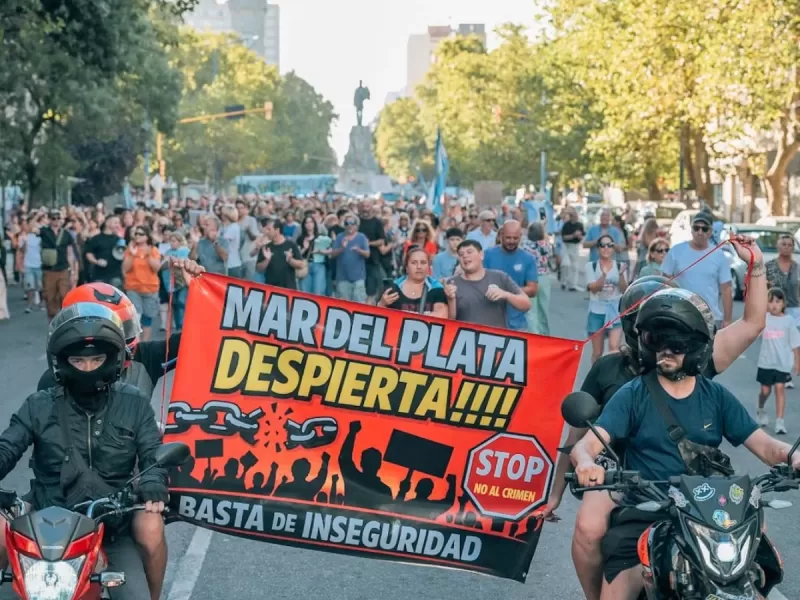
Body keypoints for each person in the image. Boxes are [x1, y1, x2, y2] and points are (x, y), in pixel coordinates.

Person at [543, 235, 767, 600]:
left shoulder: (700, 366)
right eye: (655, 333)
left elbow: (754, 323)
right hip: (622, 474)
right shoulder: (612, 372)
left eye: (676, 337)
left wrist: (756, 266)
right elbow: (580, 438)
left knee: (757, 539)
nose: (667, 344)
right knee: (588, 527)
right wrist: (559, 490)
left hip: (696, 484)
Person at [570, 288, 799, 600]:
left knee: (755, 580)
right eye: (656, 340)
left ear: (696, 346)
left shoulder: (716, 397)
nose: (666, 351)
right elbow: (587, 445)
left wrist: (793, 457)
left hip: (711, 514)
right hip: (648, 510)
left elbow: (767, 447)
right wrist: (586, 463)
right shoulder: (633, 395)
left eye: (676, 344)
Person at [0, 302, 169, 599]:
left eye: (97, 359)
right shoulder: (39, 404)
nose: (88, 368)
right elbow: (7, 446)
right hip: (45, 523)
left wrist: (153, 483)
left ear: (114, 359)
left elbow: (152, 452)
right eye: (78, 360)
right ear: (61, 362)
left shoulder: (135, 403)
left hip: (112, 526)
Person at [661, 211, 732, 329]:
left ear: (710, 232)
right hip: (680, 315)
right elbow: (664, 282)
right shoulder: (676, 251)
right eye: (696, 228)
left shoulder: (719, 255)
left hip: (710, 318)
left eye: (704, 229)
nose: (700, 232)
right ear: (691, 229)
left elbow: (726, 289)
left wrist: (727, 320)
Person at [445, 240, 531, 329]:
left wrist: (505, 294)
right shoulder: (452, 283)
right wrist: (451, 299)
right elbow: (449, 322)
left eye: (469, 252)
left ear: (481, 255)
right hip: (466, 336)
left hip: (496, 336)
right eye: (461, 254)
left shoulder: (500, 277)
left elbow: (526, 304)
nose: (465, 256)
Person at [756, 287, 800, 434]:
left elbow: (795, 343)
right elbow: (753, 332)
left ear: (783, 303)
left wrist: (797, 362)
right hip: (766, 362)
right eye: (771, 301)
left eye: (777, 301)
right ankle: (761, 408)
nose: (774, 305)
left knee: (780, 388)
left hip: (782, 363)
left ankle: (780, 421)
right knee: (765, 390)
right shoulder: (764, 319)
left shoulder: (789, 321)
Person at [484, 220, 538, 331]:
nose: (511, 241)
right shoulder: (487, 255)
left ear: (521, 236)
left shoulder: (528, 258)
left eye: (515, 238)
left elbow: (533, 290)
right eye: (508, 237)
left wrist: (505, 293)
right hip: (490, 320)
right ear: (501, 235)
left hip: (518, 322)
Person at [585, 234, 628, 362]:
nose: (606, 248)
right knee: (597, 352)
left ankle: (611, 374)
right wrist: (603, 276)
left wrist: (621, 275)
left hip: (615, 311)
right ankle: (595, 373)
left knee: (614, 349)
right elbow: (594, 288)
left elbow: (624, 290)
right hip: (596, 311)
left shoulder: (620, 266)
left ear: (613, 248)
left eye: (610, 245)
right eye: (602, 245)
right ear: (598, 248)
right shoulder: (591, 266)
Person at [378, 246, 448, 317]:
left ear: (429, 267)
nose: (419, 267)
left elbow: (441, 316)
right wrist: (382, 303)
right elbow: (379, 318)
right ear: (406, 267)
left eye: (423, 263)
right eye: (414, 263)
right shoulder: (393, 287)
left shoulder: (437, 288)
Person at [122, 225, 161, 342]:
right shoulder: (130, 249)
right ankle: (137, 343)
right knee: (135, 317)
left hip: (150, 288)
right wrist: (132, 254)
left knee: (147, 318)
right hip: (133, 287)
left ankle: (145, 344)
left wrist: (148, 255)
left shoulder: (153, 250)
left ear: (147, 236)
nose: (137, 236)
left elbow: (156, 268)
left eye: (141, 234)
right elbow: (125, 269)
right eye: (136, 234)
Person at [41, 209, 78, 320]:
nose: (56, 221)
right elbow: (30, 229)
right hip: (49, 270)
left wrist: (72, 270)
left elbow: (70, 252)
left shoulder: (66, 234)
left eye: (58, 218)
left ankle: (64, 318)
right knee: (50, 296)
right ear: (50, 220)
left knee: (64, 295)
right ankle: (52, 319)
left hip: (63, 268)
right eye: (53, 218)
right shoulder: (44, 231)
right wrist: (38, 215)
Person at [256, 218, 306, 290]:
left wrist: (290, 260)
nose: (266, 232)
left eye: (269, 229)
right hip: (271, 289)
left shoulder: (291, 245)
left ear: (277, 230)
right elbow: (259, 269)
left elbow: (301, 265)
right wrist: (267, 260)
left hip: (288, 288)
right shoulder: (266, 247)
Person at [766, 233, 800, 327]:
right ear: (778, 246)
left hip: (794, 311)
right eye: (784, 244)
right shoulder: (769, 266)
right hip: (774, 310)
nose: (786, 247)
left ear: (793, 248)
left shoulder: (797, 268)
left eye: (789, 245)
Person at [560, 207, 584, 291]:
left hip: (575, 246)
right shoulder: (566, 225)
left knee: (574, 266)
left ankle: (573, 284)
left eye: (576, 215)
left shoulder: (580, 225)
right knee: (566, 264)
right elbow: (564, 237)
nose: (576, 216)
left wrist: (579, 236)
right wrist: (573, 235)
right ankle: (564, 281)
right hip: (567, 246)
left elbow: (582, 237)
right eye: (574, 215)